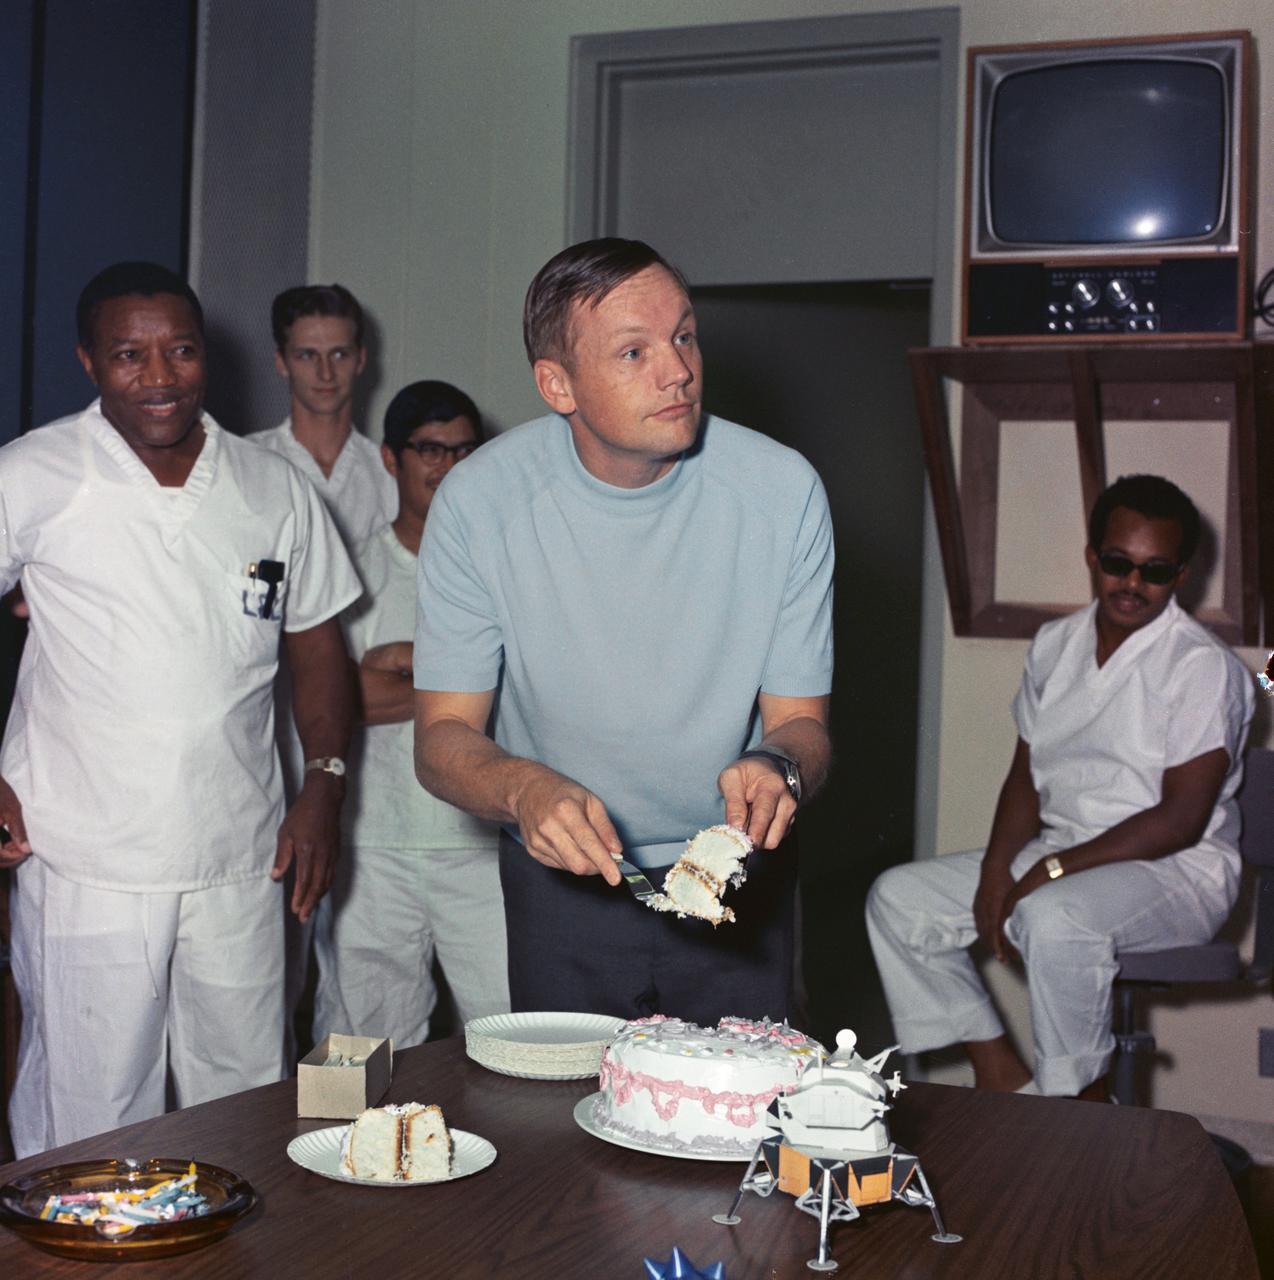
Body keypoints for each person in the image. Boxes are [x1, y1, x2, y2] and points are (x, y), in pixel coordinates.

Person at [413, 238, 833, 1025]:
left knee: (735, 1128)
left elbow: (802, 724)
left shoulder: (782, 490)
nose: (677, 370)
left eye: (684, 336)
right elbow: (442, 738)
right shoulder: (478, 502)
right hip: (563, 879)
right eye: (634, 351)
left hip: (737, 874)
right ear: (557, 384)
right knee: (560, 1130)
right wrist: (523, 788)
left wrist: (779, 765)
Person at [0, 262, 360, 1157]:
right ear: (89, 362)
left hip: (241, 856)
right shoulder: (36, 474)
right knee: (88, 1107)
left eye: (180, 351)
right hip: (86, 854)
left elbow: (316, 646)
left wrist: (324, 787)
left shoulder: (272, 488)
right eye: (130, 355)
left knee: (241, 1104)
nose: (159, 377)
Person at [867, 474, 1255, 1099]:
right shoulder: (1056, 644)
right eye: (1117, 562)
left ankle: (1078, 1104)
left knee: (1052, 918)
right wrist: (999, 869)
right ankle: (999, 1069)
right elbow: (1027, 775)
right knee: (898, 899)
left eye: (1155, 571)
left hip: (1178, 873)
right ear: (1092, 556)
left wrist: (1046, 872)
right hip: (1069, 851)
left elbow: (1181, 819)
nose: (1132, 583)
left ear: (1181, 576)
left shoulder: (1200, 667)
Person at [313, 380, 509, 1046]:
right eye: (429, 449)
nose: (447, 467)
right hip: (375, 848)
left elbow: (522, 693)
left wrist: (399, 662)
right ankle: (343, 1152)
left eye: (462, 450)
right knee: (359, 1050)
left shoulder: (504, 572)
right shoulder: (353, 570)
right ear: (391, 459)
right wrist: (462, 678)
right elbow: (331, 702)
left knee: (513, 1035)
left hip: (482, 845)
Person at [253, 283, 396, 548]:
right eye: (307, 355)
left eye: (340, 354)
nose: (326, 373)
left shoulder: (388, 477)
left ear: (361, 360)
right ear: (282, 362)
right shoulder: (248, 462)